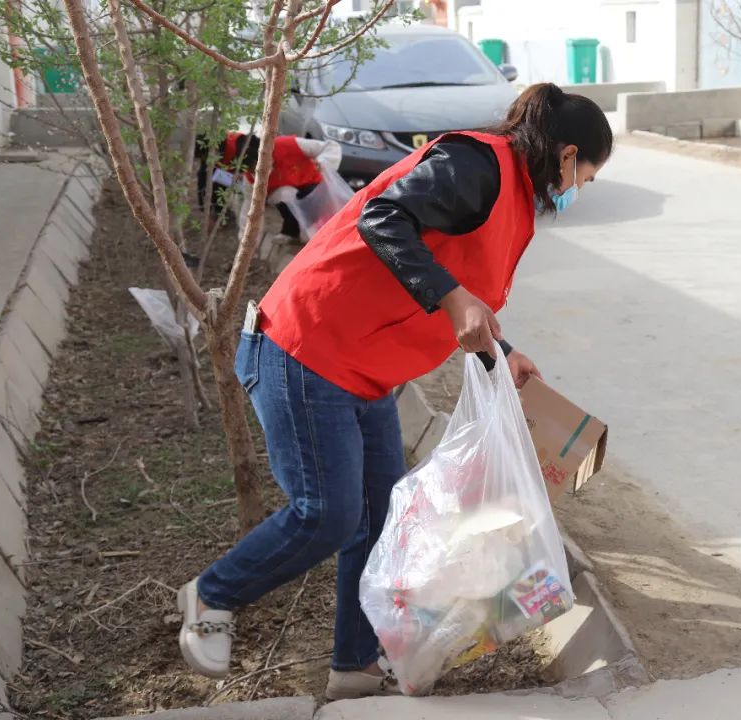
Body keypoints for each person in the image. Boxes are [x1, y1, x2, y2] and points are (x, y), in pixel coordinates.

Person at [176, 83, 613, 699]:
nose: (577, 191)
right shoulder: (477, 164)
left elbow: (455, 276)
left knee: (378, 523)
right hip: (306, 348)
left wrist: (502, 353)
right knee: (328, 514)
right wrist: (453, 296)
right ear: (567, 156)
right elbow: (382, 217)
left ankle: (354, 665)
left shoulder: (510, 194)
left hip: (365, 369)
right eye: (585, 178)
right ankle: (212, 595)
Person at [197, 131, 342, 242]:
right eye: (254, 170)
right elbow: (249, 209)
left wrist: (323, 162)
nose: (259, 171)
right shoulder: (251, 179)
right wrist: (246, 240)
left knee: (322, 224)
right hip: (290, 193)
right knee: (285, 195)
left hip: (315, 185)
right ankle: (292, 231)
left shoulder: (288, 145)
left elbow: (332, 147)